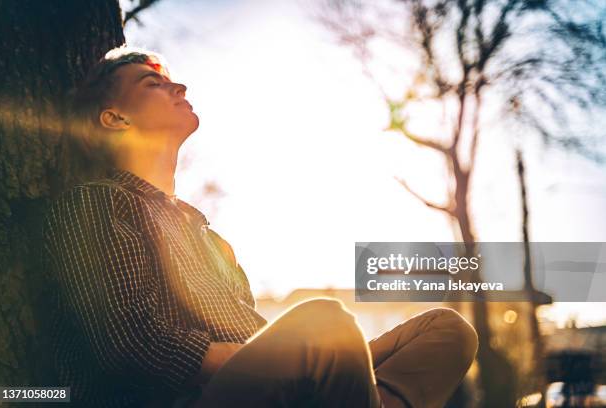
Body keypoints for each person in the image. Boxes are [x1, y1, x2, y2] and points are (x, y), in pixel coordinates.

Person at [41, 46, 478, 408]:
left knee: (447, 329)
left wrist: (305, 361)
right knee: (325, 323)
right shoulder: (96, 202)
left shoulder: (209, 236)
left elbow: (252, 334)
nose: (179, 86)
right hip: (182, 400)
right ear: (115, 119)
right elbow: (132, 348)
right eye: (152, 83)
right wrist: (292, 355)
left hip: (269, 384)